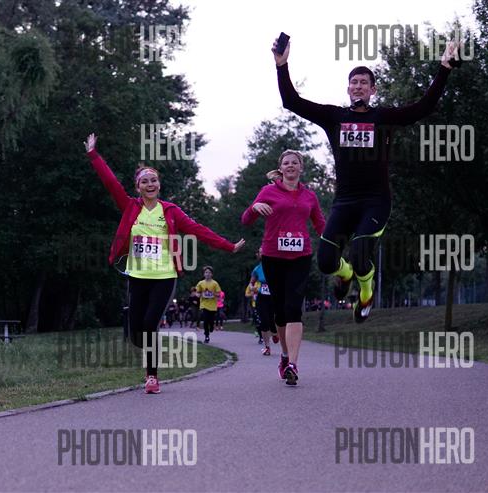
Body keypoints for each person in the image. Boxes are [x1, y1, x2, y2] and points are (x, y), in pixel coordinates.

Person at [272, 37, 460, 323]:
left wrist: (444, 67)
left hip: (376, 202)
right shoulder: (334, 117)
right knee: (325, 262)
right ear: (348, 88)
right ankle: (346, 273)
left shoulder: (383, 117)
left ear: (373, 89)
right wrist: (282, 66)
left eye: (363, 82)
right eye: (353, 82)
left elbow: (424, 107)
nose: (358, 86)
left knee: (361, 251)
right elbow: (291, 101)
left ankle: (366, 292)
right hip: (344, 202)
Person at [85, 133, 245, 394]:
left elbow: (198, 229)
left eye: (154, 180)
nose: (150, 184)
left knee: (150, 324)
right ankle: (145, 346)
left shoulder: (170, 211)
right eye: (144, 181)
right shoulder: (130, 207)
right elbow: (110, 182)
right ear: (138, 187)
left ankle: (151, 377)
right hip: (137, 276)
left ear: (159, 185)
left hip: (163, 276)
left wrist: (228, 246)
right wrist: (93, 155)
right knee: (137, 333)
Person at [242, 150, 326, 385]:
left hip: (301, 256)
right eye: (286, 163)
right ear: (280, 168)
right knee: (280, 312)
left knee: (293, 308)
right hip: (273, 257)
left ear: (301, 168)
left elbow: (320, 224)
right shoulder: (268, 191)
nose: (290, 166)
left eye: (294, 163)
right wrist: (255, 208)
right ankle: (285, 356)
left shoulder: (309, 196)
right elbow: (246, 220)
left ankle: (293, 364)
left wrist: (334, 243)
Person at [252, 247, 278, 355]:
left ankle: (275, 333)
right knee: (264, 321)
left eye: (264, 251)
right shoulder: (257, 269)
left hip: (274, 297)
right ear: (258, 255)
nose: (262, 253)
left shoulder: (276, 266)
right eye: (260, 252)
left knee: (272, 319)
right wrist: (253, 288)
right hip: (262, 298)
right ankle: (267, 347)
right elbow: (251, 283)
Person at [196, 266, 221, 343]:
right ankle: (207, 336)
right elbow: (197, 292)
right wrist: (199, 295)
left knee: (211, 320)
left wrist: (213, 294)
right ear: (204, 274)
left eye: (209, 272)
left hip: (213, 305)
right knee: (206, 320)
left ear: (212, 274)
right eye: (206, 272)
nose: (208, 274)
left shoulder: (215, 283)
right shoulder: (201, 283)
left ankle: (212, 326)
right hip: (204, 305)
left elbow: (219, 294)